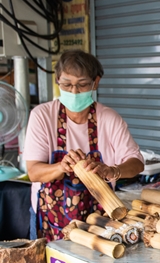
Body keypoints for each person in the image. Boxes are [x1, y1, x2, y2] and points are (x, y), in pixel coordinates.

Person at [24, 50, 144, 241]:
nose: (74, 91)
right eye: (67, 84)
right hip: (51, 220)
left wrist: (112, 171)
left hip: (98, 221)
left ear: (95, 83)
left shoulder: (108, 118)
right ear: (57, 81)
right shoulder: (42, 116)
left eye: (82, 85)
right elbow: (34, 172)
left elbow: (137, 163)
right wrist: (60, 167)